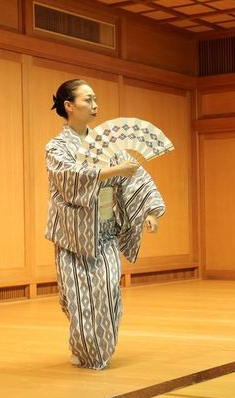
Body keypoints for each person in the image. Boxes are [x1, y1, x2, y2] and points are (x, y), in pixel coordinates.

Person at [45, 79, 166, 369]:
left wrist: (150, 211)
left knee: (109, 293)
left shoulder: (106, 143)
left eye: (96, 99)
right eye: (88, 99)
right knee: (77, 299)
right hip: (74, 236)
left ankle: (98, 350)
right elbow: (68, 179)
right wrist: (112, 169)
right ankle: (86, 350)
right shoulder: (56, 147)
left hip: (105, 232)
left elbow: (135, 177)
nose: (95, 105)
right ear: (69, 106)